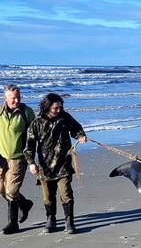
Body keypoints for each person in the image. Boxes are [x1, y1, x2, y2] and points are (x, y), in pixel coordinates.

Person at [24, 93, 87, 234]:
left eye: (60, 107)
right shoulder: (37, 122)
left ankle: (69, 222)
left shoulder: (64, 117)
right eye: (55, 108)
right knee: (47, 196)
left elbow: (76, 128)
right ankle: (51, 220)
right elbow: (29, 145)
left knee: (66, 193)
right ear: (47, 107)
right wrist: (31, 163)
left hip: (64, 163)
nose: (59, 110)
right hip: (45, 167)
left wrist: (81, 136)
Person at [0, 84, 35, 234]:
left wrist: (32, 159)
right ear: (5, 98)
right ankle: (24, 204)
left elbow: (34, 135)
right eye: (13, 98)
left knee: (11, 191)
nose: (16, 101)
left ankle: (13, 223)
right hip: (1, 157)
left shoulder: (26, 112)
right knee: (2, 190)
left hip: (18, 157)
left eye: (18, 98)